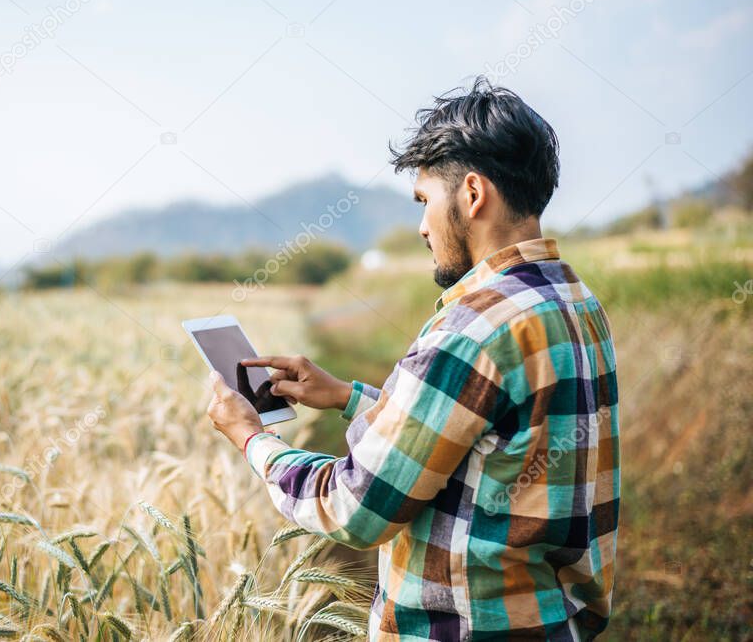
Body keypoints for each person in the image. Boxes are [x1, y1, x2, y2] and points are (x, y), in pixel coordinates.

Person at [206, 76, 619, 641]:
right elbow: (487, 439)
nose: (422, 226)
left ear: (472, 195)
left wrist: (251, 438)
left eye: (426, 201)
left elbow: (355, 507)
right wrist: (349, 399)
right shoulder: (575, 301)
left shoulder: (472, 328)